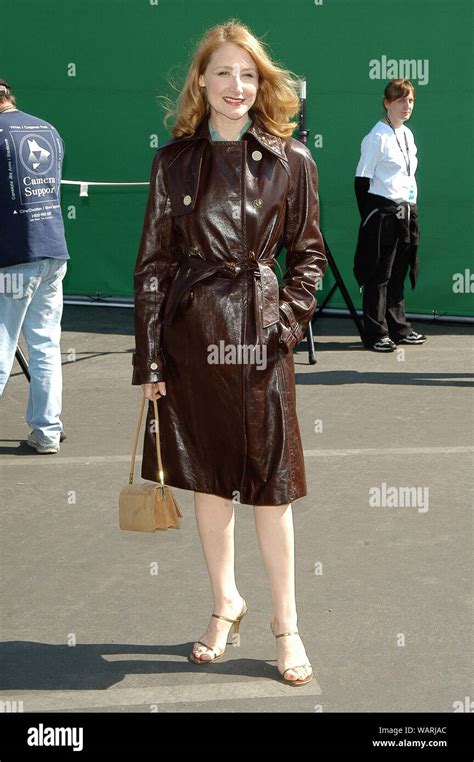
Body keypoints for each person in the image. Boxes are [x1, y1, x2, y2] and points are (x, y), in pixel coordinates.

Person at [132, 20, 327, 685]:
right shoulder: (173, 162)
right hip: (193, 340)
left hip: (261, 339)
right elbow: (153, 265)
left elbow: (308, 258)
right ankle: (224, 605)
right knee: (211, 485)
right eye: (223, 72)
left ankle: (286, 625)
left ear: (261, 83)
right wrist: (152, 362)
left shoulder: (291, 159)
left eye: (248, 74)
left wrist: (282, 327)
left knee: (271, 491)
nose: (236, 86)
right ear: (201, 81)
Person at [0, 78, 69, 452]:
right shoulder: (48, 130)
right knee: (45, 346)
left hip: (13, 258)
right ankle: (46, 432)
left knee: (1, 343)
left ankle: (46, 430)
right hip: (52, 251)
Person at [353, 78, 427, 352]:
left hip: (406, 213)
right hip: (383, 215)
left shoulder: (407, 134)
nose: (406, 106)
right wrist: (370, 218)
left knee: (398, 273)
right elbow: (361, 180)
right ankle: (375, 333)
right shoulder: (376, 137)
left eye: (410, 100)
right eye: (400, 100)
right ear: (387, 103)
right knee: (379, 274)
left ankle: (399, 328)